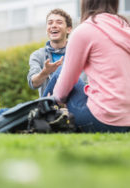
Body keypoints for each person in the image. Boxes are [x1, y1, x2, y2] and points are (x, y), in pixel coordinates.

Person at [48, 0, 130, 132]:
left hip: (102, 120)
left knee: (60, 72)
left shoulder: (85, 30)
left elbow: (61, 93)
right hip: (127, 121)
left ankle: (38, 115)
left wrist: (55, 98)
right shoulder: (125, 28)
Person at [27, 9, 72, 97]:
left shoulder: (79, 53)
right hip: (49, 106)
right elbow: (33, 83)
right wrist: (45, 72)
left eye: (59, 22)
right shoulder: (38, 56)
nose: (54, 25)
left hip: (74, 104)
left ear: (68, 29)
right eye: (50, 23)